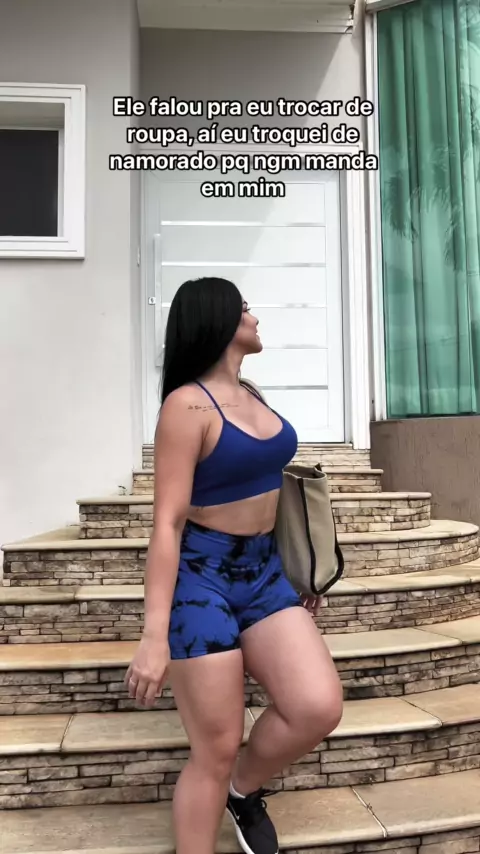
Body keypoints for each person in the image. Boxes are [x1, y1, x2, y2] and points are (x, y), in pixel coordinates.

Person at [125, 277, 343, 854]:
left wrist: (299, 566)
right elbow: (167, 523)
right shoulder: (186, 406)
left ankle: (242, 791)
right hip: (203, 579)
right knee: (215, 749)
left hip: (265, 573)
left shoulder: (250, 391)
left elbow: (269, 491)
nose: (254, 316)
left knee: (317, 705)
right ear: (218, 319)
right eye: (244, 307)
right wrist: (153, 636)